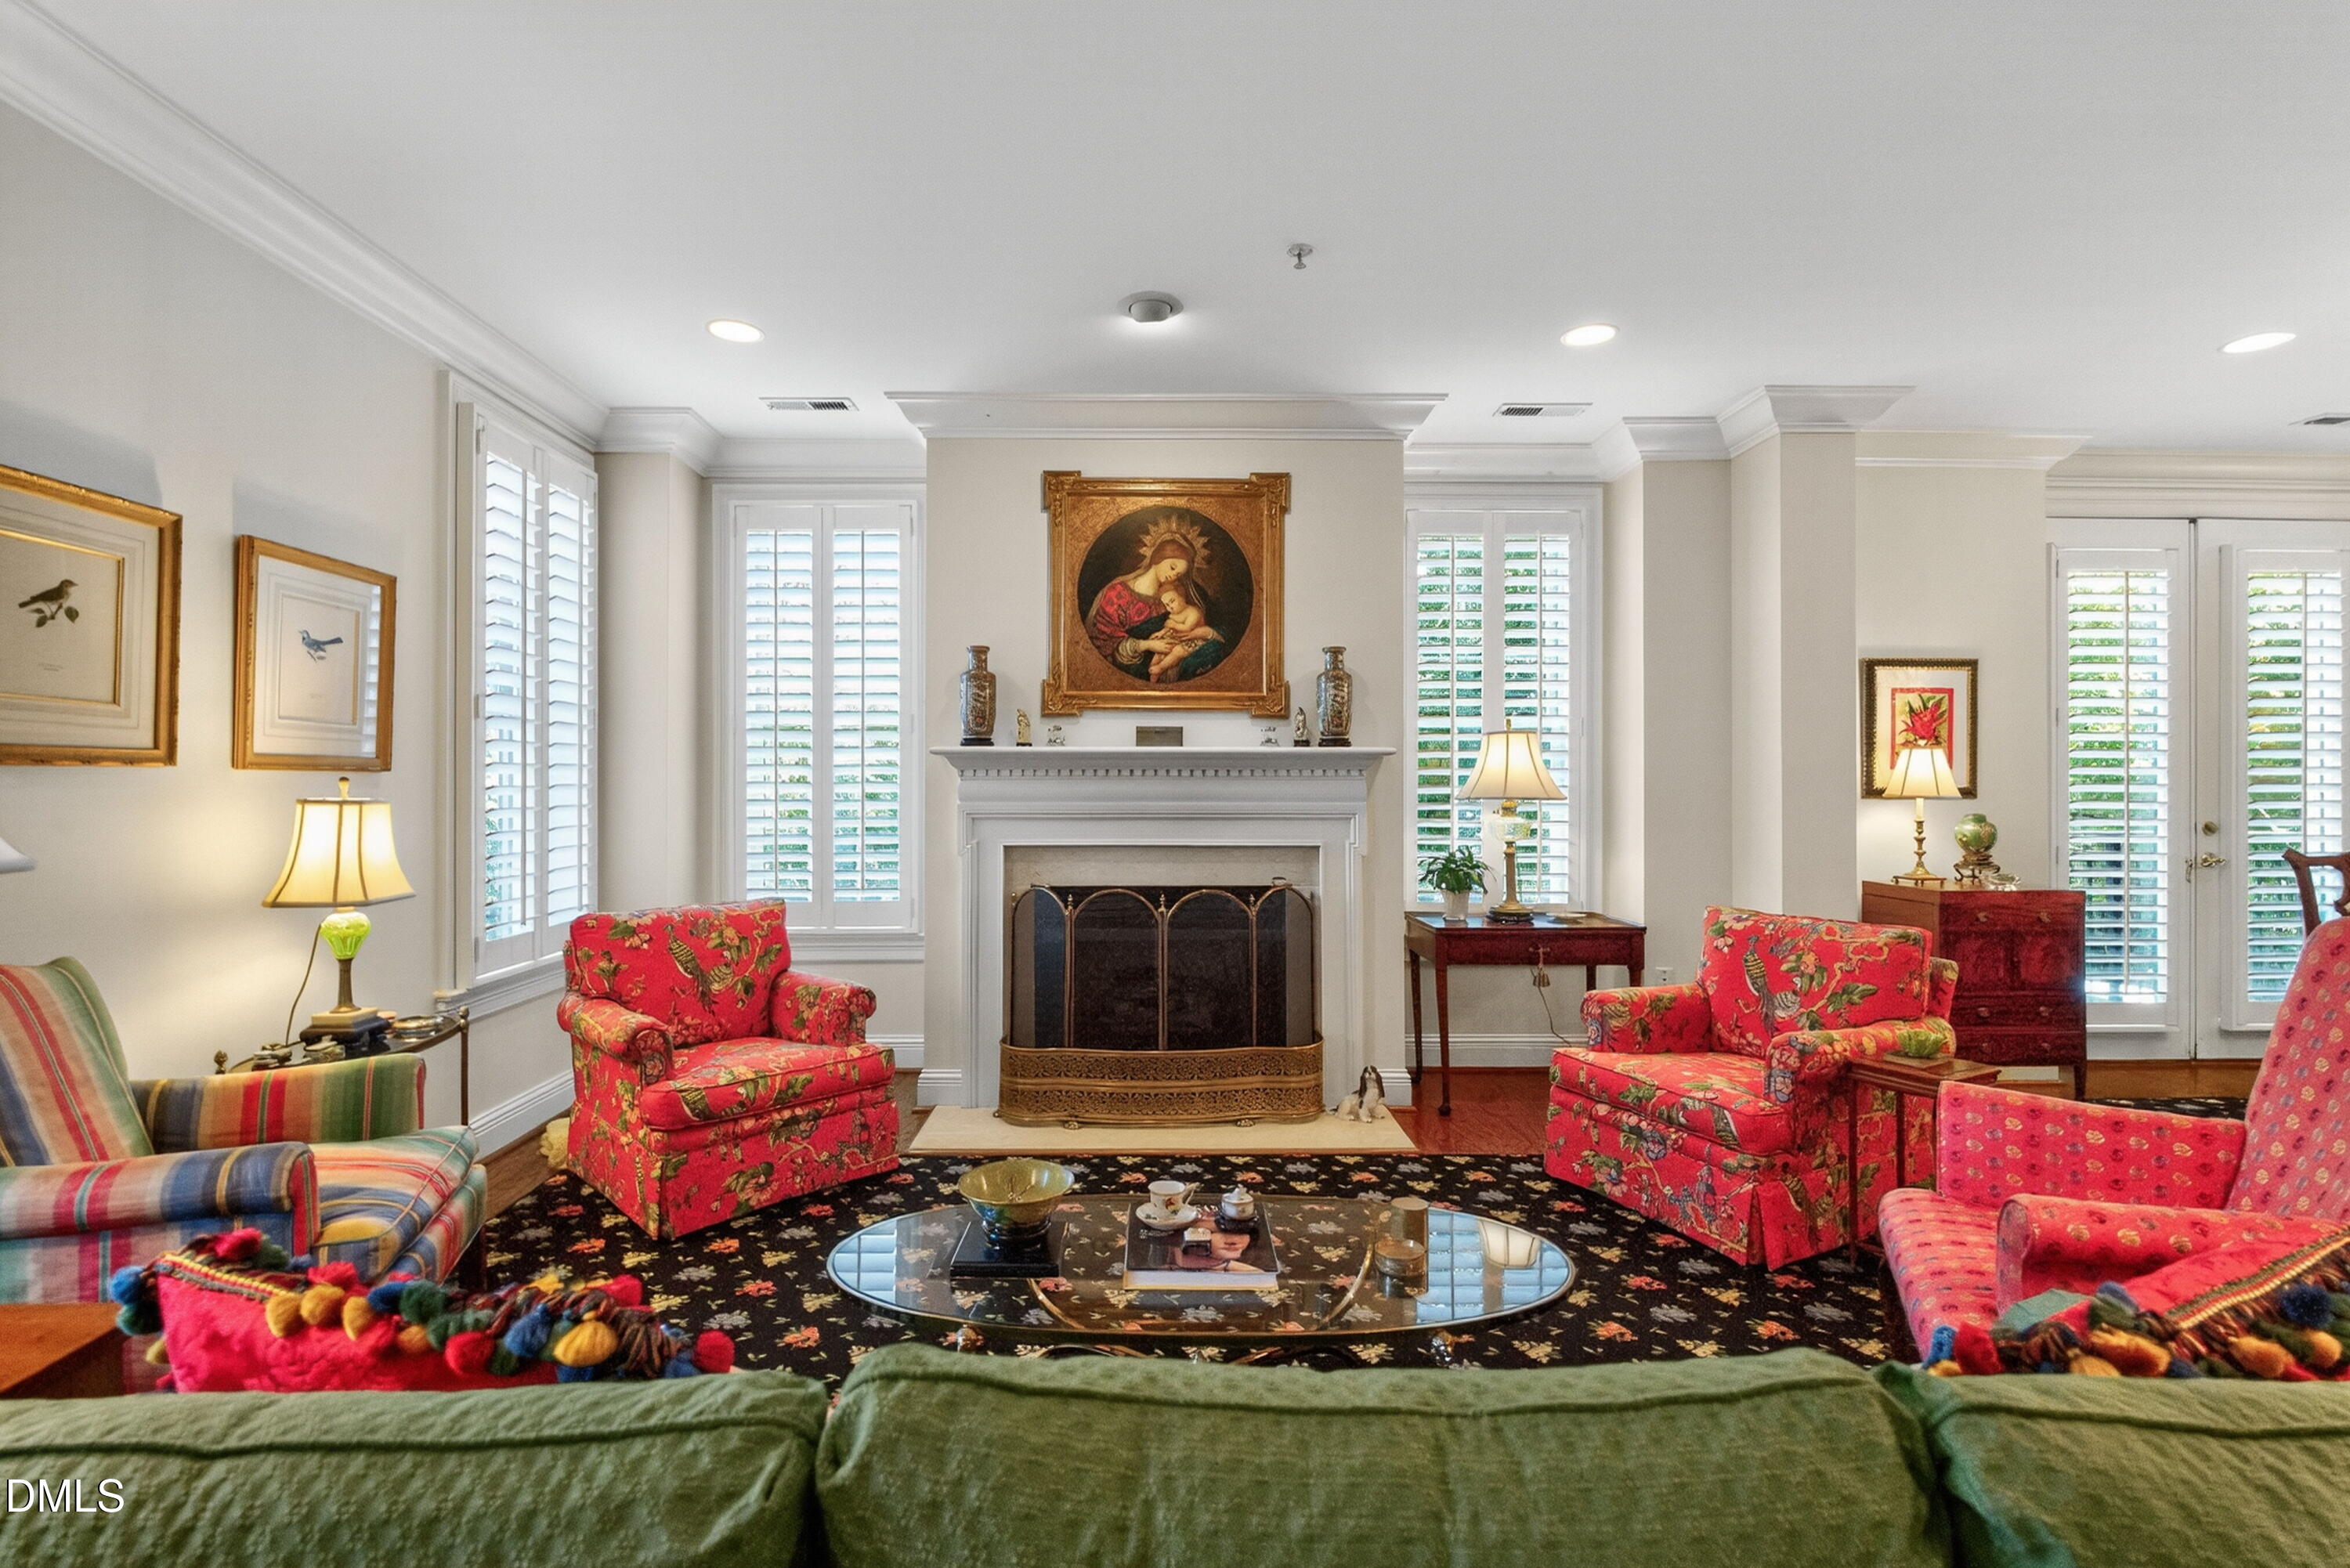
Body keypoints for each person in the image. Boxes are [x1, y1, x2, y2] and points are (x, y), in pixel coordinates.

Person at [1145, 584, 1218, 681]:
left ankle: (1161, 667)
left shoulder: (1193, 612)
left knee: (1178, 651)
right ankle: (1152, 670)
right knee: (1162, 648)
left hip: (1193, 640)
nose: (1170, 607)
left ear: (1182, 597)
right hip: (1177, 638)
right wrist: (1161, 633)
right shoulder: (1173, 615)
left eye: (1172, 601)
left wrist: (1174, 625)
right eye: (1167, 605)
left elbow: (1188, 628)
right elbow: (1168, 628)